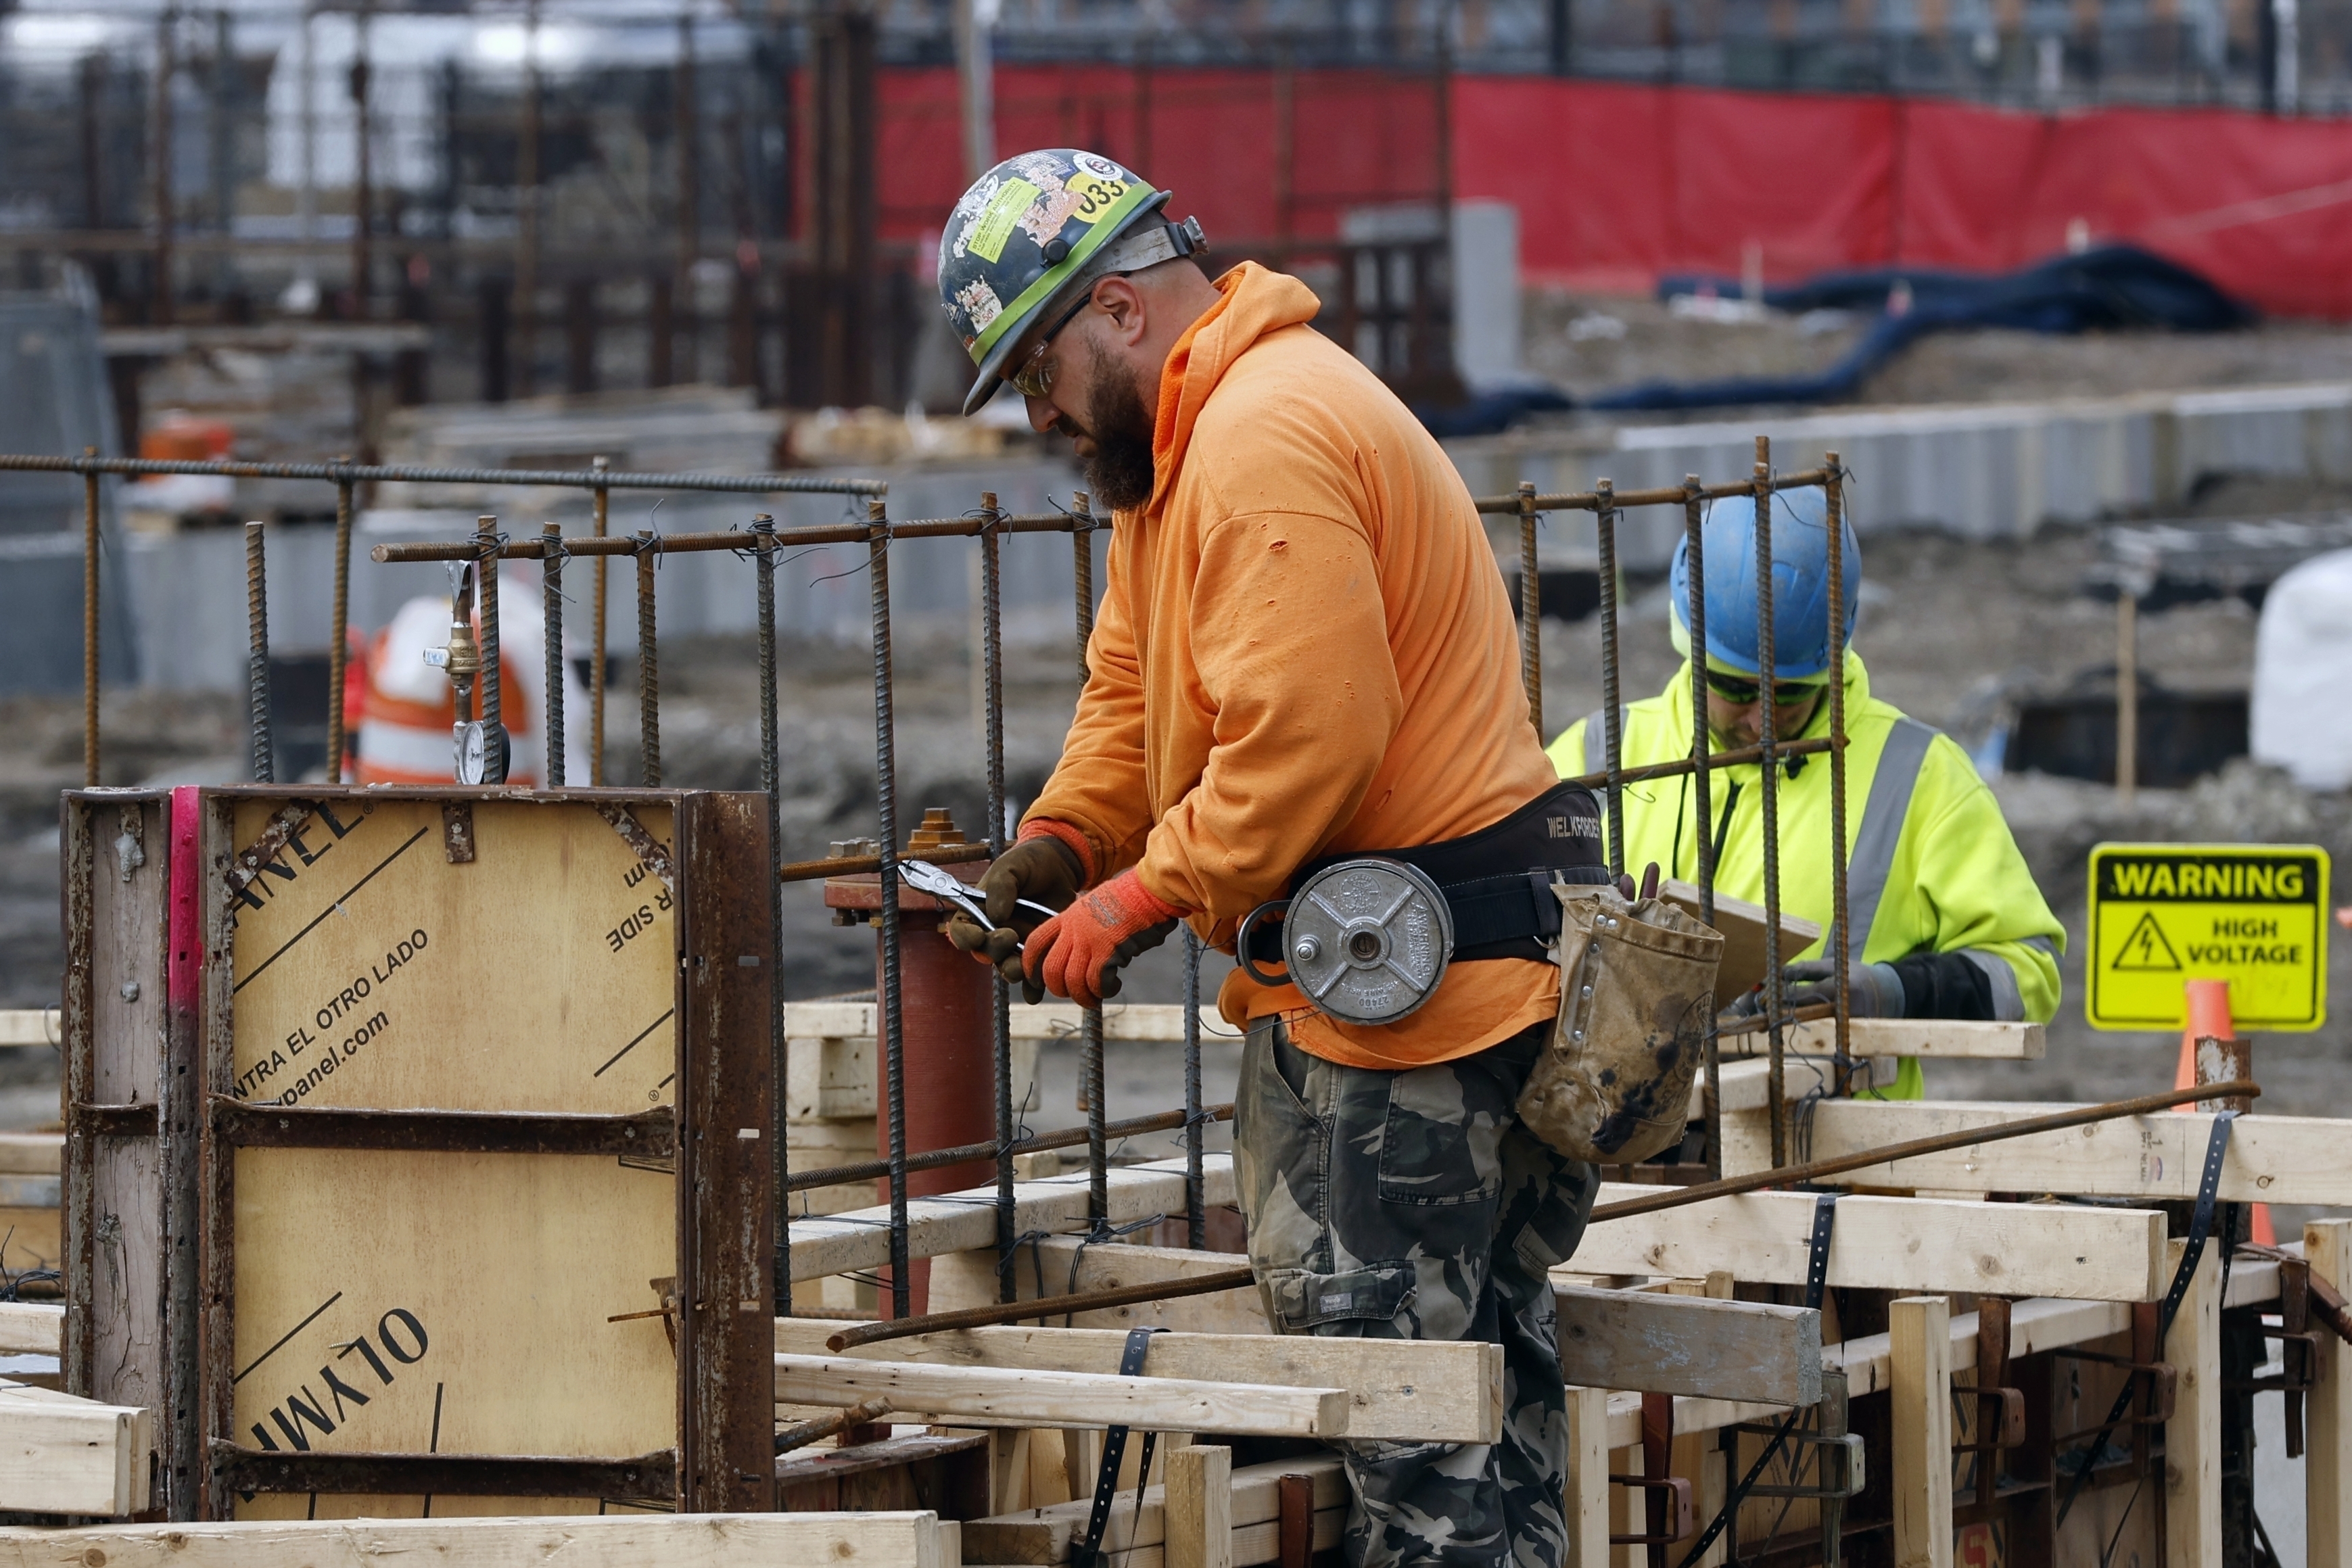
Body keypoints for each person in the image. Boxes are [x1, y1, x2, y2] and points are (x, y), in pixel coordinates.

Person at [935, 148, 1605, 1567]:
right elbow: (1131, 696)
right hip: (1414, 991)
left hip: (1414, 1027)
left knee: (1409, 1424)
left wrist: (1145, 889)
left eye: (1039, 372)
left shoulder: (1259, 438)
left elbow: (1311, 738)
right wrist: (1064, 840)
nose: (1044, 415)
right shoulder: (1181, 457)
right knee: (1481, 1414)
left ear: (1115, 308)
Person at [1546, 490, 2063, 1097]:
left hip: (1831, 1162)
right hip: (1616, 1156)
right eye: (1737, 689)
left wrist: (1893, 990)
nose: (1762, 719)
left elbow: (2029, 976)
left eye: (1791, 693)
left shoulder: (1920, 776)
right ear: (1688, 644)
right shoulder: (1596, 757)